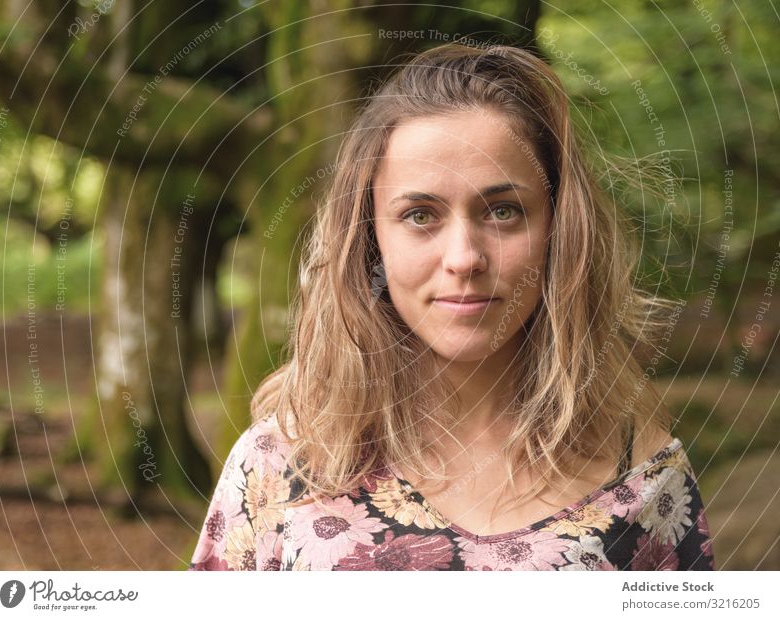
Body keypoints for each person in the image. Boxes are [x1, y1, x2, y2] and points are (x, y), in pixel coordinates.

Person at [188, 42, 715, 571]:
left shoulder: (646, 480)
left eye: (504, 211)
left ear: (561, 230)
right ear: (371, 240)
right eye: (420, 215)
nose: (465, 258)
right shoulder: (278, 467)